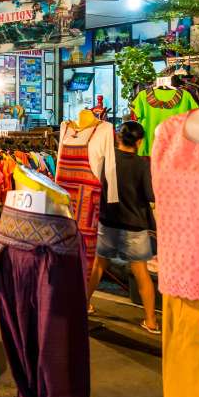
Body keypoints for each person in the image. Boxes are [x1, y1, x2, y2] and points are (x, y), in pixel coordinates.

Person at [87, 121, 160, 334]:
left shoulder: (107, 160)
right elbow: (150, 195)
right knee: (140, 271)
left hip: (108, 219)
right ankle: (151, 321)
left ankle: (85, 304)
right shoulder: (141, 164)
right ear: (139, 141)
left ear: (118, 138)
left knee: (99, 265)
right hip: (134, 224)